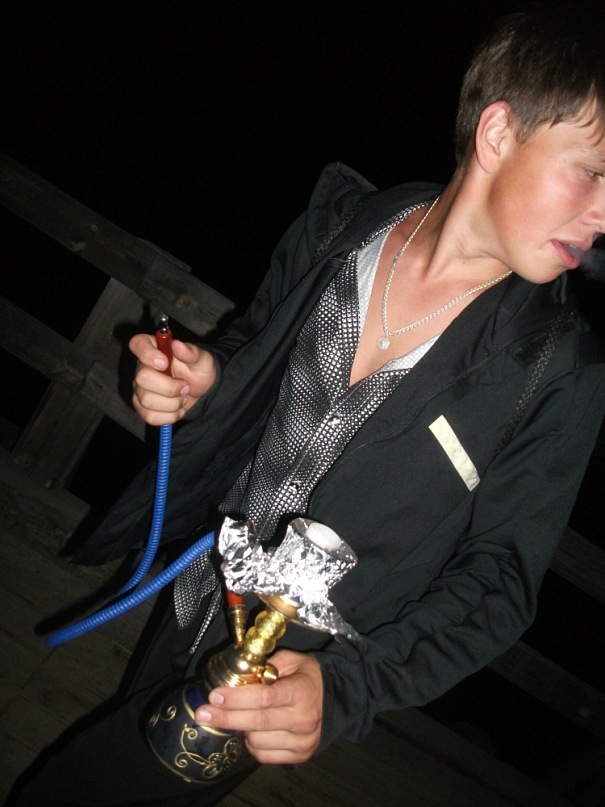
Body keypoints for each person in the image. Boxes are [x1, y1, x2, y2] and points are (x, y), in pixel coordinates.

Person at [9, 5, 605, 805]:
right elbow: (252, 341)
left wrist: (346, 687)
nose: (604, 215)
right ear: (498, 134)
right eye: (592, 172)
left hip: (281, 677)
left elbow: (498, 584)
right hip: (194, 584)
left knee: (79, 786)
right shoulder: (348, 222)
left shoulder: (558, 374)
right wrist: (206, 380)